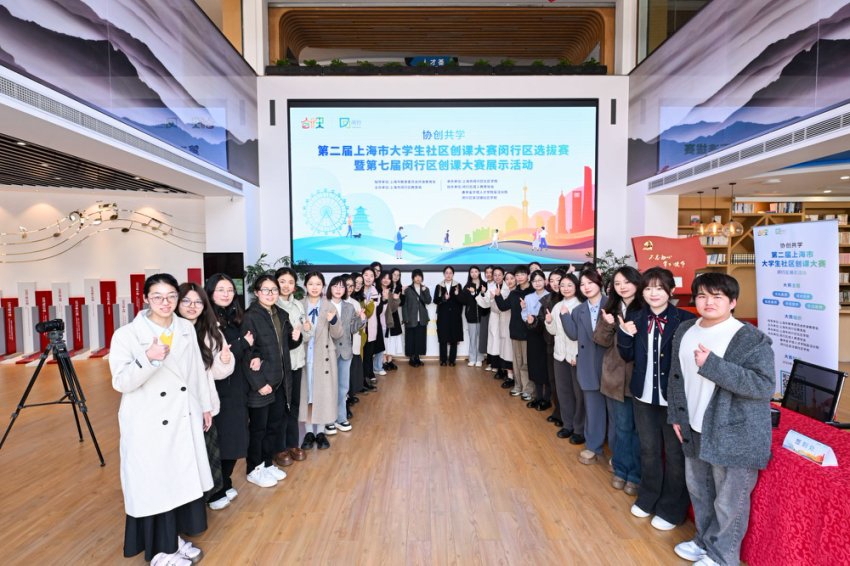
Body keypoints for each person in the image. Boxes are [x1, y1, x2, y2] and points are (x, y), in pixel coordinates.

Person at [667, 273, 775, 566]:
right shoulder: (686, 329)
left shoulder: (749, 338)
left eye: (717, 297)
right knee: (700, 490)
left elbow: (763, 385)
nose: (709, 302)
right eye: (702, 296)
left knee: (729, 500)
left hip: (734, 432)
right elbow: (676, 378)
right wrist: (676, 415)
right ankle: (704, 541)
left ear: (733, 302)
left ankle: (723, 556)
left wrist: (712, 365)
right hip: (694, 425)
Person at [110, 273, 212, 564]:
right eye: (157, 297)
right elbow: (121, 382)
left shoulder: (184, 328)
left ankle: (173, 541)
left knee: (179, 483)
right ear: (145, 299)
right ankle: (159, 552)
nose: (165, 303)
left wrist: (205, 406)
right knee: (156, 487)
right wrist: (149, 358)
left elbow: (196, 371)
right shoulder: (127, 335)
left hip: (183, 416)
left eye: (171, 296)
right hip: (148, 423)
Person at [618, 267, 695, 530]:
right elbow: (627, 355)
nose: (653, 293)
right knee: (649, 450)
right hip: (643, 395)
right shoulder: (636, 317)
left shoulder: (686, 320)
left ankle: (672, 509)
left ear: (670, 291)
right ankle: (648, 497)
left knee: (675, 455)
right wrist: (624, 334)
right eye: (649, 288)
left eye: (659, 288)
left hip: (673, 399)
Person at [176, 282, 235, 510]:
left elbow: (218, 373)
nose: (192, 306)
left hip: (205, 404)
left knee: (208, 452)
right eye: (186, 301)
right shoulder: (170, 331)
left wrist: (225, 360)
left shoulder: (211, 330)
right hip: (178, 406)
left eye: (198, 302)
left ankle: (210, 494)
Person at [241, 275, 302, 487]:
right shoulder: (251, 316)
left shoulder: (280, 314)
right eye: (265, 290)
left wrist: (296, 338)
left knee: (273, 426)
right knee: (258, 428)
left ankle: (266, 464)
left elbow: (286, 347)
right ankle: (253, 468)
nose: (270, 294)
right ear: (257, 293)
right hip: (261, 384)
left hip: (279, 381)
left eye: (273, 290)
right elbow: (248, 353)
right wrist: (259, 383)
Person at [204, 274, 253, 509]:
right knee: (222, 440)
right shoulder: (206, 321)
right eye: (220, 290)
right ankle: (216, 489)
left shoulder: (235, 317)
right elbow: (217, 358)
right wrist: (243, 344)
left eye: (230, 289)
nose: (226, 294)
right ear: (210, 292)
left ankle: (226, 481)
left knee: (236, 437)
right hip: (218, 388)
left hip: (237, 386)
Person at [594, 266, 643, 496]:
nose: (622, 287)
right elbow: (600, 340)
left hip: (638, 377)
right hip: (614, 376)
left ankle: (636, 475)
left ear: (636, 283)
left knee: (638, 430)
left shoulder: (646, 308)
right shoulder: (611, 308)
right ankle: (621, 470)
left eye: (626, 282)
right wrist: (607, 323)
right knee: (622, 427)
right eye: (617, 283)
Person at [561, 269, 609, 466]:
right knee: (593, 408)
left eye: (590, 282)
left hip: (611, 365)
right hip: (588, 364)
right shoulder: (578, 310)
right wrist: (564, 317)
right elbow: (574, 335)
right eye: (582, 284)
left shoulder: (612, 305)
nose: (586, 287)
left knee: (617, 414)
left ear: (600, 283)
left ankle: (618, 454)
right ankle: (593, 446)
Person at [299, 272, 343, 447]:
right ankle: (309, 432)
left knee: (323, 394)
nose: (314, 287)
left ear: (323, 287)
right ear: (305, 286)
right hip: (304, 356)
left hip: (324, 358)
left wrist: (333, 321)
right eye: (311, 284)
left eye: (318, 284)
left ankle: (321, 432)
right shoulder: (299, 305)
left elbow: (338, 334)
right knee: (307, 395)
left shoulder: (329, 306)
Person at [274, 267, 309, 467]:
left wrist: (306, 331)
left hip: (297, 362)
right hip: (280, 365)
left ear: (295, 286)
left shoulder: (298, 306)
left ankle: (293, 444)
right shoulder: (273, 305)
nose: (286, 285)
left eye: (290, 282)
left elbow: (306, 335)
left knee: (294, 404)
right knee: (280, 407)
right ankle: (279, 448)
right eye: (282, 281)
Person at [546, 273, 585, 441]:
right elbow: (554, 332)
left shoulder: (581, 306)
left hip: (575, 358)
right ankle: (567, 425)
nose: (565, 288)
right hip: (559, 356)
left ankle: (579, 429)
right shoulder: (557, 306)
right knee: (563, 392)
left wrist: (578, 355)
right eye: (562, 286)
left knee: (579, 395)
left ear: (576, 287)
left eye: (569, 285)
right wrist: (549, 322)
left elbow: (580, 336)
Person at [328, 275, 366, 434]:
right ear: (330, 288)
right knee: (329, 387)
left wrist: (361, 319)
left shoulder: (349, 307)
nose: (338, 289)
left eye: (341, 287)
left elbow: (352, 329)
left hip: (345, 352)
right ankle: (328, 420)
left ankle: (341, 417)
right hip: (328, 352)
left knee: (343, 387)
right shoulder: (324, 305)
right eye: (335, 286)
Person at [496, 265, 533, 399]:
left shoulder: (533, 292)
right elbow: (503, 306)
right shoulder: (514, 293)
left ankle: (528, 389)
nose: (519, 277)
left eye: (522, 274)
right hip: (515, 330)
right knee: (517, 362)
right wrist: (498, 296)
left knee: (527, 362)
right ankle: (518, 386)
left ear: (528, 275)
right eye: (517, 275)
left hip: (529, 332)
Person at [522, 269, 551, 410]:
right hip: (532, 334)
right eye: (534, 281)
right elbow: (525, 317)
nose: (537, 283)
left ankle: (547, 399)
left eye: (540, 280)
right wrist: (524, 311)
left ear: (545, 281)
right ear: (531, 283)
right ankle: (538, 397)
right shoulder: (528, 297)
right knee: (534, 366)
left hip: (546, 334)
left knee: (546, 367)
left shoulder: (550, 296)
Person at [433, 265, 464, 366]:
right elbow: (435, 300)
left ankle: (452, 360)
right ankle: (443, 360)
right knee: (443, 338)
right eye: (446, 273)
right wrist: (443, 298)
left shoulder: (458, 285)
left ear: (453, 274)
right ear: (444, 274)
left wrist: (457, 294)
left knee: (454, 338)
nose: (448, 275)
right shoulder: (439, 286)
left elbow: (462, 301)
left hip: (455, 316)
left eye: (450, 273)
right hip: (443, 316)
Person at [402, 269, 431, 367]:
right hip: (411, 318)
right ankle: (412, 358)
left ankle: (417, 357)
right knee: (410, 339)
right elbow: (404, 305)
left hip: (422, 318)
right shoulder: (408, 289)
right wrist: (405, 318)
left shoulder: (425, 289)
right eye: (416, 276)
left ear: (422, 278)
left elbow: (428, 301)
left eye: (420, 276)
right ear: (413, 278)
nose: (418, 278)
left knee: (420, 339)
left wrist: (425, 291)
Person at [461, 265, 487, 367]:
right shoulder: (467, 286)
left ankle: (480, 358)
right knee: (472, 338)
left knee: (480, 338)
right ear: (470, 274)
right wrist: (471, 293)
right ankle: (472, 358)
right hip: (471, 315)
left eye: (476, 271)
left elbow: (487, 299)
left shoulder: (484, 284)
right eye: (472, 272)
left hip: (482, 315)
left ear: (479, 272)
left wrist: (481, 293)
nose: (474, 273)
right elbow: (464, 301)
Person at [378, 271, 402, 372]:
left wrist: (396, 300)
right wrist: (384, 299)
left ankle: (389, 360)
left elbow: (393, 309)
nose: (386, 280)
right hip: (380, 320)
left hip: (390, 320)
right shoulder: (376, 290)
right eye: (384, 278)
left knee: (391, 340)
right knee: (383, 340)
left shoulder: (392, 291)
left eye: (388, 278)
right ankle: (383, 361)